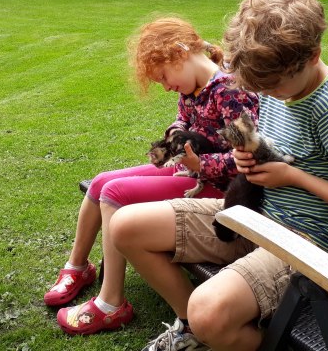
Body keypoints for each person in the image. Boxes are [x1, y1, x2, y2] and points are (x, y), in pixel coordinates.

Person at [110, 0, 328, 351]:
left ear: (312, 55)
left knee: (210, 309)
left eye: (272, 87)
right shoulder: (282, 82)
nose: (266, 95)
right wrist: (250, 154)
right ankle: (193, 328)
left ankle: (218, 329)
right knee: (126, 227)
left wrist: (293, 176)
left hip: (307, 240)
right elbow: (279, 140)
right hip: (258, 213)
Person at [44, 17, 259, 336]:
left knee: (115, 193)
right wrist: (176, 134)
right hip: (191, 170)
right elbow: (182, 119)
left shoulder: (229, 90)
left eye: (163, 77)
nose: (166, 86)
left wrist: (200, 164)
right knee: (103, 181)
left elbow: (248, 158)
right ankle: (79, 267)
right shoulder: (193, 85)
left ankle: (111, 302)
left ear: (179, 52)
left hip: (217, 188)